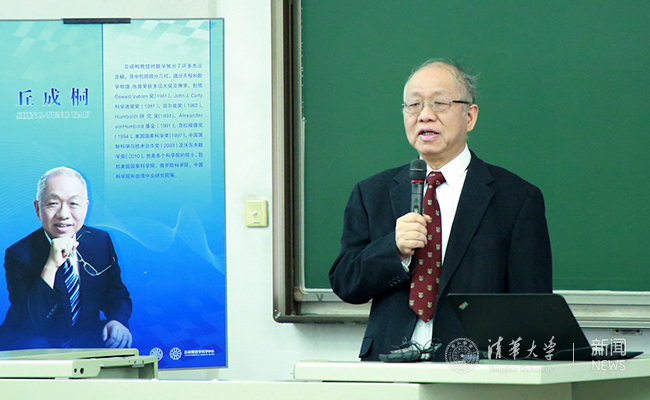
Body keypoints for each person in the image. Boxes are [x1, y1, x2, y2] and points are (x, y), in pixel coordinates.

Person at [329, 60, 552, 361]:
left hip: (474, 367)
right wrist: (393, 248)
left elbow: (532, 309)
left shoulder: (516, 199)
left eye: (439, 103)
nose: (424, 115)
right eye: (414, 105)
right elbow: (345, 284)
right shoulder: (372, 193)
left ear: (469, 116)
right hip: (389, 364)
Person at [0, 167, 132, 349]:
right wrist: (51, 265)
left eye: (73, 204)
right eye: (53, 203)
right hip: (32, 339)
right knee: (36, 344)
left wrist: (117, 320)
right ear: (38, 208)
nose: (63, 214)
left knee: (118, 342)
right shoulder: (19, 254)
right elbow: (31, 321)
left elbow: (116, 293)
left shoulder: (100, 241)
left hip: (84, 337)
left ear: (86, 207)